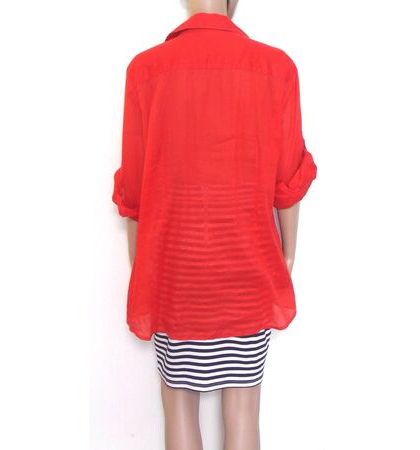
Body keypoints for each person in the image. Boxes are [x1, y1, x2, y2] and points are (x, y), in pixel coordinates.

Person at [112, 0, 317, 448]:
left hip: (173, 272)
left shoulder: (145, 70)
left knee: (178, 404)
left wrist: (142, 267)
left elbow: (134, 191)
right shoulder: (276, 67)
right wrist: (287, 256)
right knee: (244, 408)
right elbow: (289, 182)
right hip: (249, 268)